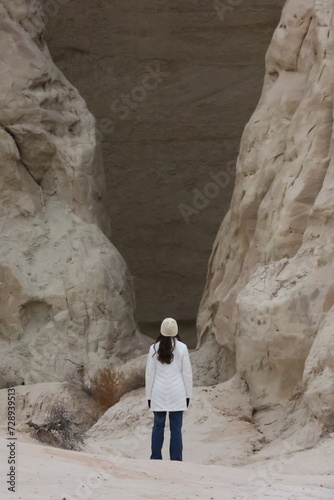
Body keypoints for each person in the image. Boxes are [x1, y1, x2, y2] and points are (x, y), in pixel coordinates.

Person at [145, 317, 193, 461]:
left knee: (158, 427)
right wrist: (188, 395)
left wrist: (149, 396)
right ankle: (176, 460)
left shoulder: (154, 348)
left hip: (158, 393)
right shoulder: (182, 348)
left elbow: (149, 374)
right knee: (176, 428)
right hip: (177, 392)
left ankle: (155, 458)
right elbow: (187, 373)